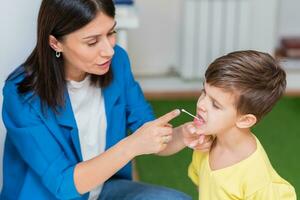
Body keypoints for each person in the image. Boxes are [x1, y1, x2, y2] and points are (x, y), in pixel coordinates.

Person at [1, 0, 213, 199]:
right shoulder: (22, 95)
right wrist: (131, 145)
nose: (109, 50)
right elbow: (63, 185)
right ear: (55, 43)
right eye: (92, 41)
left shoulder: (117, 61)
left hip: (104, 189)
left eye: (111, 32)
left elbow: (149, 132)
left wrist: (183, 135)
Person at [186, 50, 297, 200]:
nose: (201, 104)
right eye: (204, 92)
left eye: (216, 105)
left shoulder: (259, 182)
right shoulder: (204, 144)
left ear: (245, 120)